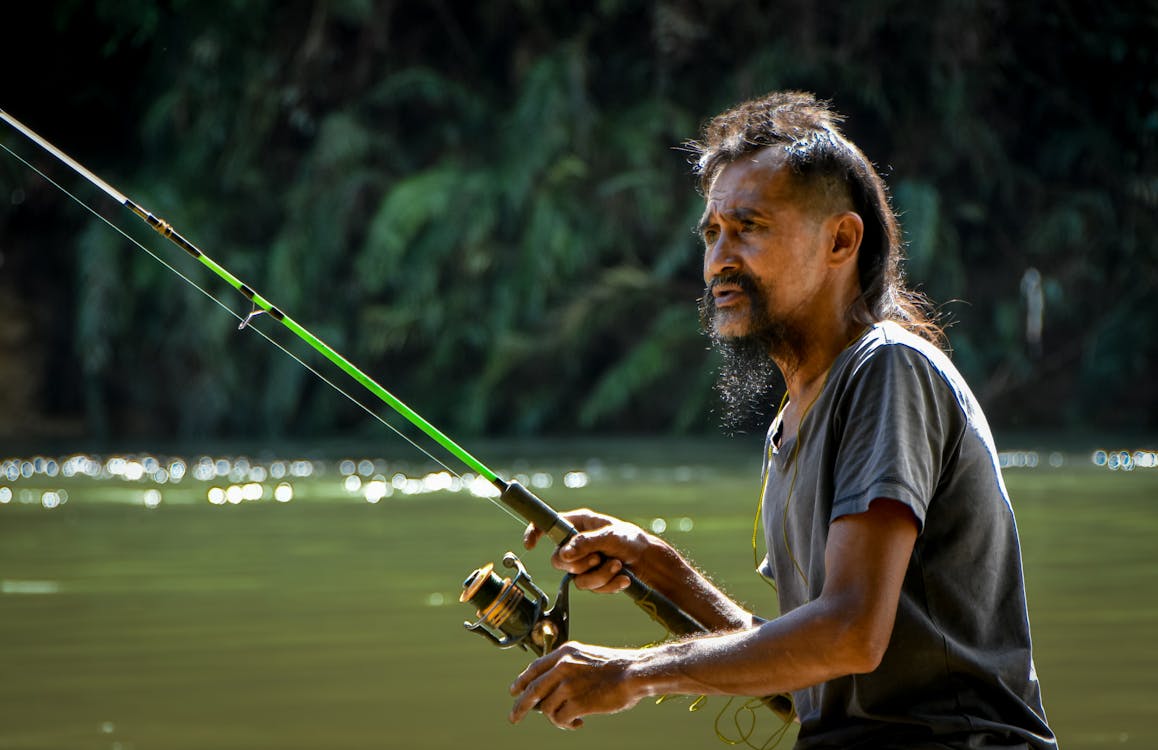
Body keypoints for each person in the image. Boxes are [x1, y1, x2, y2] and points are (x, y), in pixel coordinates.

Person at [508, 91, 1057, 749]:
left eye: (750, 227)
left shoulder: (888, 371)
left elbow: (849, 634)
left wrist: (634, 672)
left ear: (842, 240)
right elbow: (804, 681)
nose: (719, 260)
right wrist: (658, 569)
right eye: (712, 233)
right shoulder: (795, 421)